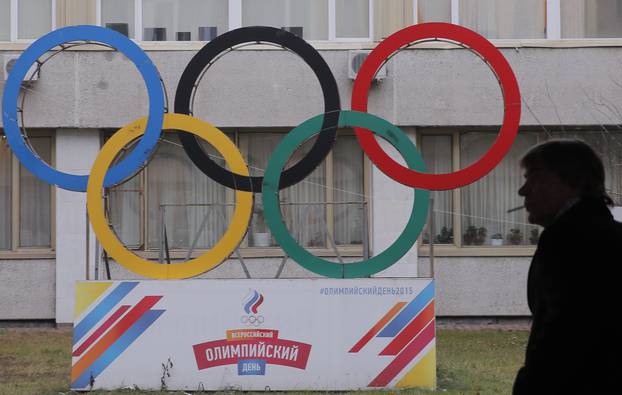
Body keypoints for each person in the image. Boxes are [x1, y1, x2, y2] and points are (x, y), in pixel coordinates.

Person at [513, 139, 622, 395]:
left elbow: (562, 340)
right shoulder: (609, 234)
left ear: (568, 180)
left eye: (533, 177)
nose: (523, 191)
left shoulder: (569, 240)